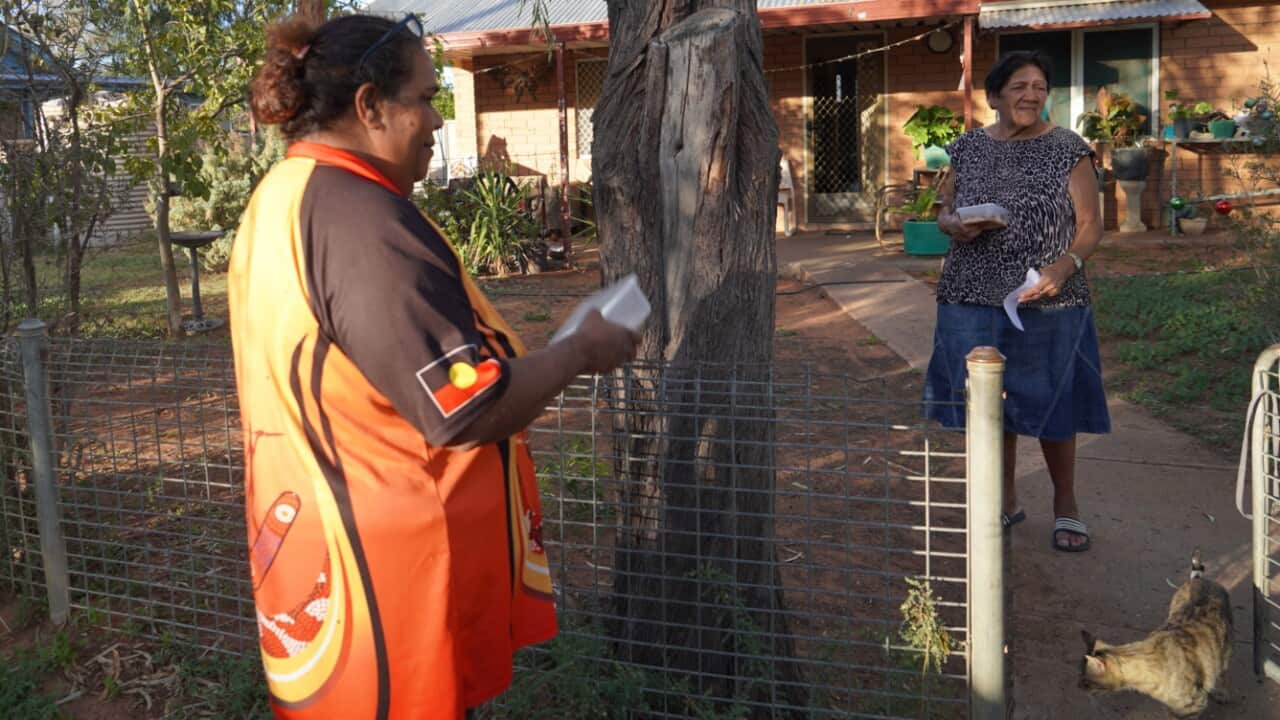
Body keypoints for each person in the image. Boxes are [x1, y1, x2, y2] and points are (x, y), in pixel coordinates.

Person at [229, 13, 638, 719]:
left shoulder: (285, 197)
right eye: (423, 99)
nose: (438, 122)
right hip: (389, 586)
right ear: (368, 106)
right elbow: (462, 404)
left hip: (324, 549)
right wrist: (578, 352)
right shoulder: (361, 222)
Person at [923, 50, 1109, 553]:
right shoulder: (966, 148)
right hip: (970, 292)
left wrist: (1063, 266)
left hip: (1048, 295)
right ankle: (1002, 502)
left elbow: (1091, 226)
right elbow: (945, 211)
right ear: (996, 96)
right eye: (1019, 87)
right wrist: (954, 225)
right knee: (987, 404)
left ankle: (1066, 505)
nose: (1030, 95)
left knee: (1055, 403)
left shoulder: (1068, 148)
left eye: (1039, 87)